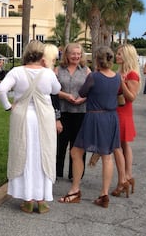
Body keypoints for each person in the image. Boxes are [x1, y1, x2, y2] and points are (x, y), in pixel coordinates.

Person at [0, 40, 61, 215]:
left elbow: (1, 90)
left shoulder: (17, 72)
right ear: (42, 56)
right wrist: (47, 68)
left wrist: (8, 106)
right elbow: (57, 90)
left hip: (23, 117)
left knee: (23, 152)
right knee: (43, 153)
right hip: (44, 118)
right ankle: (42, 200)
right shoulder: (48, 74)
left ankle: (27, 200)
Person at [58, 46, 121, 209]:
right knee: (107, 156)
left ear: (97, 60)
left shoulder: (94, 76)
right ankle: (104, 194)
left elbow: (83, 92)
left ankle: (75, 190)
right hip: (111, 117)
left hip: (94, 117)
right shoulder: (117, 77)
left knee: (75, 151)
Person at [54, 43, 90, 180]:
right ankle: (57, 172)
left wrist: (82, 98)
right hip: (63, 111)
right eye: (73, 54)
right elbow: (52, 89)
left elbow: (92, 89)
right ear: (66, 55)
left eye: (78, 54)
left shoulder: (86, 70)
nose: (76, 56)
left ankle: (75, 174)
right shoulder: (58, 70)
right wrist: (65, 95)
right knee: (60, 144)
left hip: (81, 111)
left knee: (78, 145)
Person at [111, 44, 140, 198]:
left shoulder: (132, 74)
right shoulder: (120, 72)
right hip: (117, 110)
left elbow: (132, 97)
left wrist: (121, 82)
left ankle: (124, 178)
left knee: (119, 146)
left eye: (120, 54)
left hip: (123, 112)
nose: (117, 56)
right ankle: (127, 177)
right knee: (123, 145)